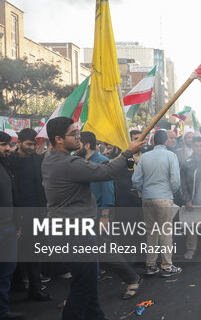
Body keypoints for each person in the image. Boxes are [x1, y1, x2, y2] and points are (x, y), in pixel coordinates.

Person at [42, 117, 144, 320]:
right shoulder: (69, 163)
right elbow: (107, 172)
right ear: (59, 139)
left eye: (78, 132)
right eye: (74, 134)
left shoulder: (49, 158)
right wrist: (129, 152)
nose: (78, 137)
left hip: (64, 230)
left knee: (86, 283)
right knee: (83, 287)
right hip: (75, 233)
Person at [132, 129, 183, 278]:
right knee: (165, 232)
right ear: (166, 141)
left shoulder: (144, 157)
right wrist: (170, 191)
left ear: (153, 141)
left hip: (147, 198)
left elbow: (136, 180)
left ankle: (151, 265)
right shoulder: (171, 156)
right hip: (164, 197)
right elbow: (176, 180)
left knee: (151, 232)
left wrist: (144, 190)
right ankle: (167, 267)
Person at [7, 128, 50, 301]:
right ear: (19, 143)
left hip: (36, 212)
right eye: (29, 144)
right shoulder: (9, 162)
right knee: (14, 252)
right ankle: (16, 284)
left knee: (34, 252)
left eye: (34, 144)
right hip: (14, 214)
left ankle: (35, 290)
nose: (32, 147)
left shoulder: (38, 160)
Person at [0, 131, 24, 320]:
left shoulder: (5, 165)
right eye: (3, 144)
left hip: (8, 228)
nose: (8, 148)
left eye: (8, 144)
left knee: (6, 271)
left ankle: (3, 310)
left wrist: (17, 224)